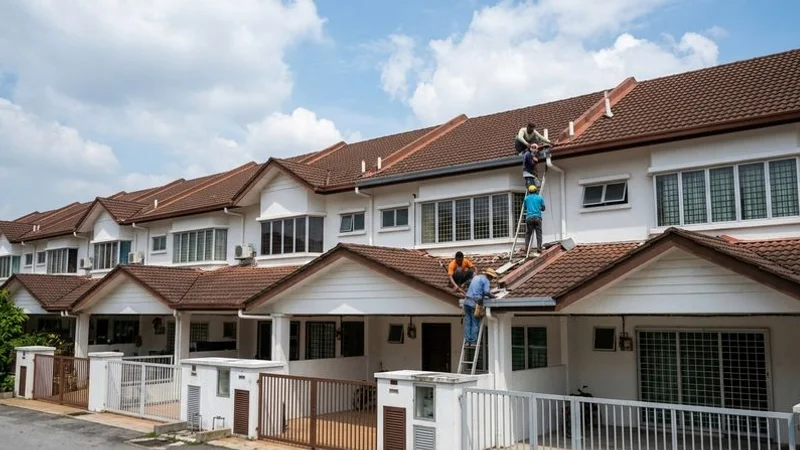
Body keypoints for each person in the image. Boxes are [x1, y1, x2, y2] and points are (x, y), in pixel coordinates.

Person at [462, 268, 498, 347]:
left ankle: (467, 341)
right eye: (492, 277)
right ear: (490, 276)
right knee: (475, 323)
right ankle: (473, 342)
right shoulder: (486, 280)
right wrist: (493, 296)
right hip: (474, 303)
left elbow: (468, 283)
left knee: (468, 322)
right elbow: (486, 292)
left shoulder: (476, 277)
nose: (491, 279)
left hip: (466, 302)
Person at [523, 184, 546, 256]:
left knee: (528, 234)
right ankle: (539, 248)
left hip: (529, 218)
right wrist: (539, 208)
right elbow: (543, 208)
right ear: (536, 191)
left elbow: (525, 208)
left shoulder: (526, 198)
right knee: (539, 234)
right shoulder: (539, 198)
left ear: (529, 191)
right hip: (537, 217)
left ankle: (526, 248)